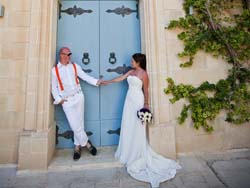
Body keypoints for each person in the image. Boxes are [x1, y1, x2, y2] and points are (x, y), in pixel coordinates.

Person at [102, 53, 181, 187]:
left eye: (133, 61)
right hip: (129, 100)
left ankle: (136, 152)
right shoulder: (131, 72)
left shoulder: (144, 74)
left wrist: (146, 105)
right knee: (128, 125)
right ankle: (126, 151)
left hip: (138, 101)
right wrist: (107, 82)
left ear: (138, 62)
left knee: (137, 127)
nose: (131, 62)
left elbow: (146, 90)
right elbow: (120, 78)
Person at [51, 47, 101, 160]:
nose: (69, 56)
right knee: (75, 126)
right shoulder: (55, 71)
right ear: (61, 55)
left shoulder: (74, 66)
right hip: (67, 101)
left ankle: (77, 147)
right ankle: (88, 144)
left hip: (79, 97)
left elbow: (84, 76)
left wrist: (96, 82)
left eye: (70, 54)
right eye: (67, 54)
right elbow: (53, 87)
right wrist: (59, 99)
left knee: (80, 123)